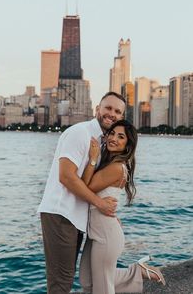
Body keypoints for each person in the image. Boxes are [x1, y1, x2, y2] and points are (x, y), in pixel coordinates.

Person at [37, 92, 126, 294]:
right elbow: (66, 177)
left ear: (121, 118)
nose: (111, 114)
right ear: (97, 109)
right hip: (61, 214)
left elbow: (92, 184)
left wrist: (109, 214)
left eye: (117, 111)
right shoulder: (81, 132)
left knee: (67, 280)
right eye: (108, 108)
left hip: (76, 218)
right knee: (61, 282)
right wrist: (101, 204)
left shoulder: (104, 143)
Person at [79, 119, 166, 294]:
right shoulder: (111, 164)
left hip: (106, 234)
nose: (113, 138)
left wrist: (93, 158)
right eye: (112, 133)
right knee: (87, 282)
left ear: (127, 145)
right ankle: (137, 272)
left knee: (102, 286)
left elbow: (83, 188)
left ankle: (138, 272)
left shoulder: (117, 168)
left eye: (121, 137)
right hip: (96, 231)